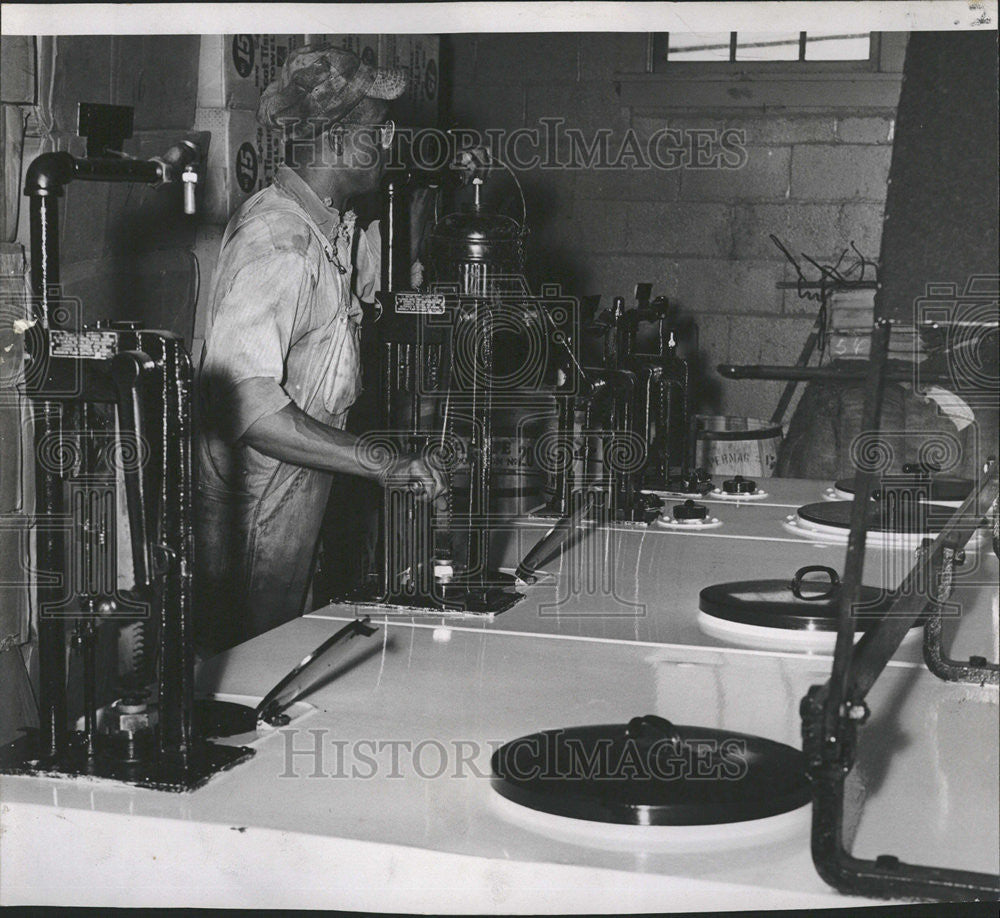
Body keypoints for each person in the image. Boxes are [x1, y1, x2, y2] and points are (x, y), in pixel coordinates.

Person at [194, 46, 446, 653]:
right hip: (250, 518)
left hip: (299, 496)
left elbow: (386, 288)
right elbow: (248, 408)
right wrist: (381, 462)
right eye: (379, 131)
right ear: (337, 139)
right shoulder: (278, 242)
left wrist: (428, 205)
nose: (390, 142)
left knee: (287, 666)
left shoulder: (332, 227)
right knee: (252, 677)